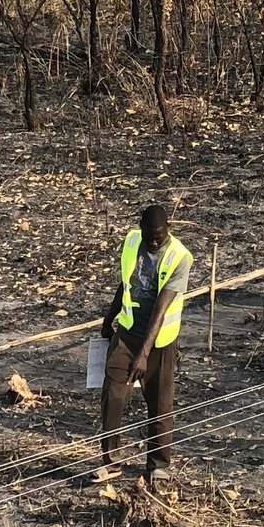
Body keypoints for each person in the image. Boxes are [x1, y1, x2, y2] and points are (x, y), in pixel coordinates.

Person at [96, 203, 191, 483]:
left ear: (168, 231)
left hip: (159, 342)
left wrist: (143, 354)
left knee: (160, 403)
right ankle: (111, 461)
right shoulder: (132, 241)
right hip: (127, 333)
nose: (153, 241)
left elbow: (160, 311)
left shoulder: (179, 257)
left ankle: (158, 465)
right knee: (112, 396)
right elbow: (126, 283)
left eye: (159, 237)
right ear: (141, 227)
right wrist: (108, 319)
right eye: (149, 235)